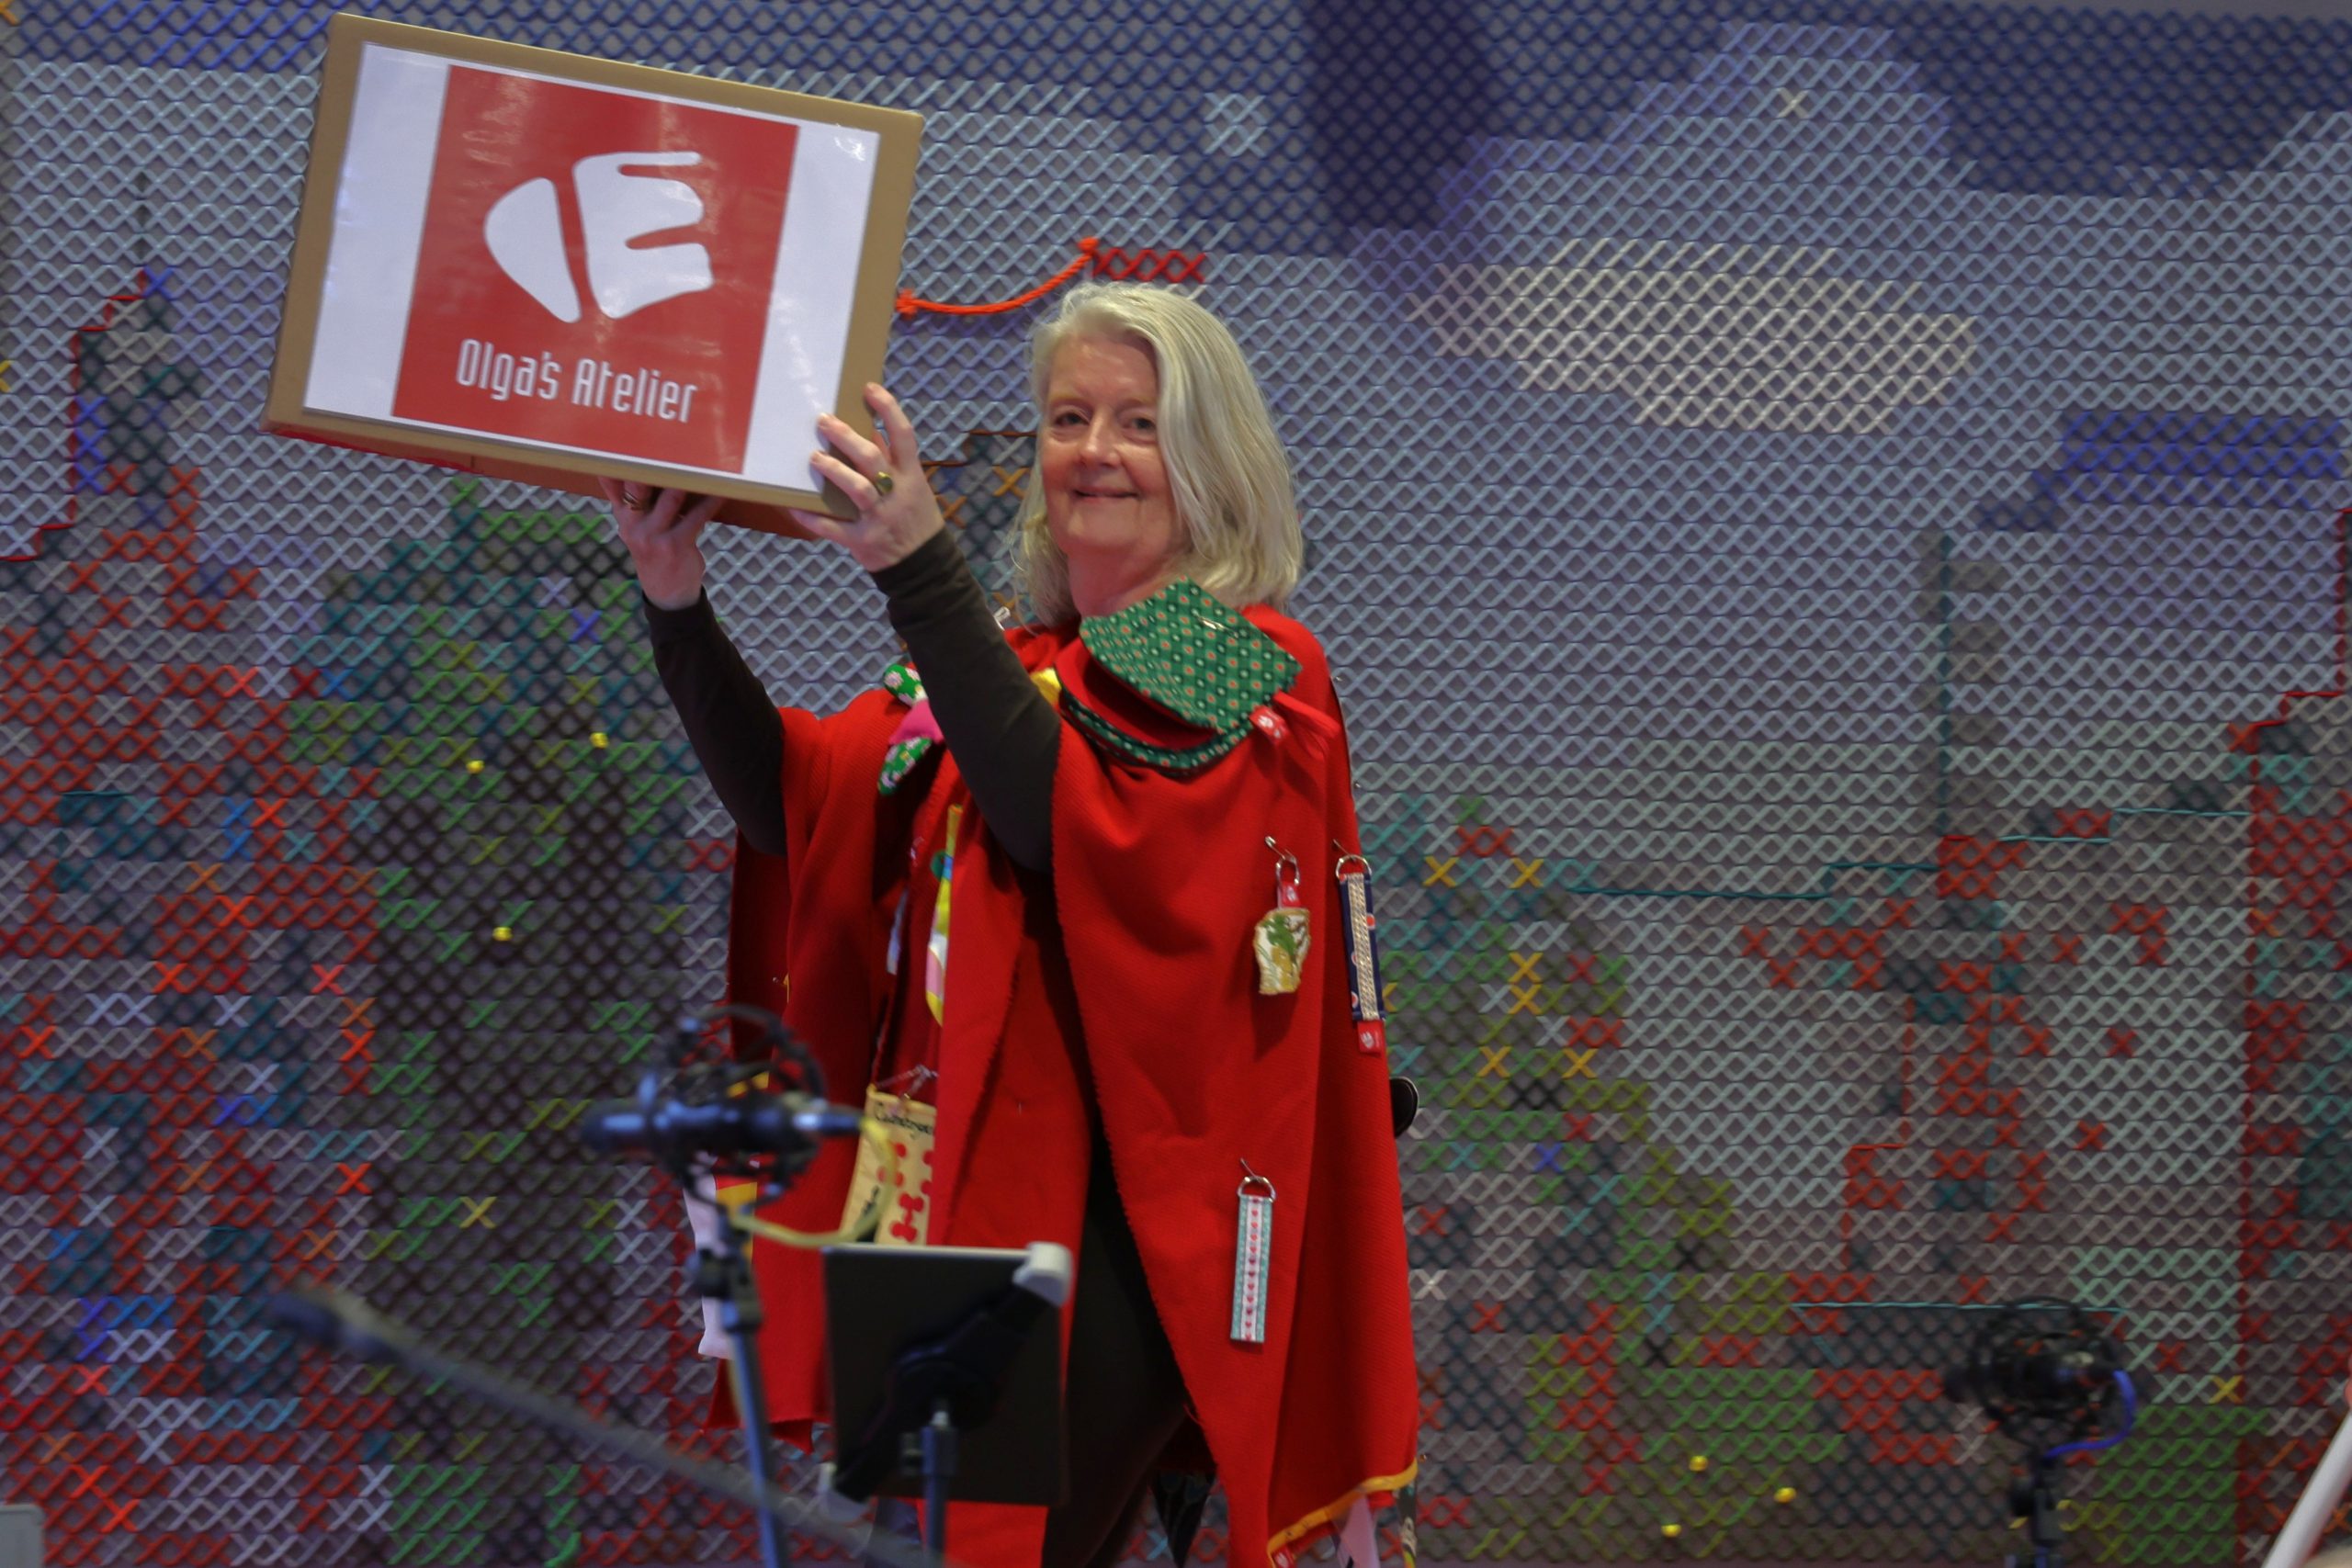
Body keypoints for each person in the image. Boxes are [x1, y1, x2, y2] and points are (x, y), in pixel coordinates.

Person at [605, 281, 1418, 1568]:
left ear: (1209, 456)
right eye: (1068, 417)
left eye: (1140, 423)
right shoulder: (1017, 662)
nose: (1095, 450)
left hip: (1114, 1235)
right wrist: (675, 598)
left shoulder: (1245, 654)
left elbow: (1057, 818)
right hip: (934, 1207)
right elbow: (794, 805)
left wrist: (917, 568)